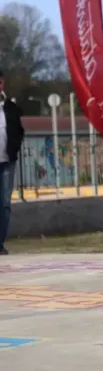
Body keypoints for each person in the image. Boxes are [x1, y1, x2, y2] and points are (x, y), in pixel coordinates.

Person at [0, 71, 24, 255]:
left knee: (5, 204)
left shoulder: (10, 108)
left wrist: (14, 149)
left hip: (7, 162)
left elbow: (19, 131)